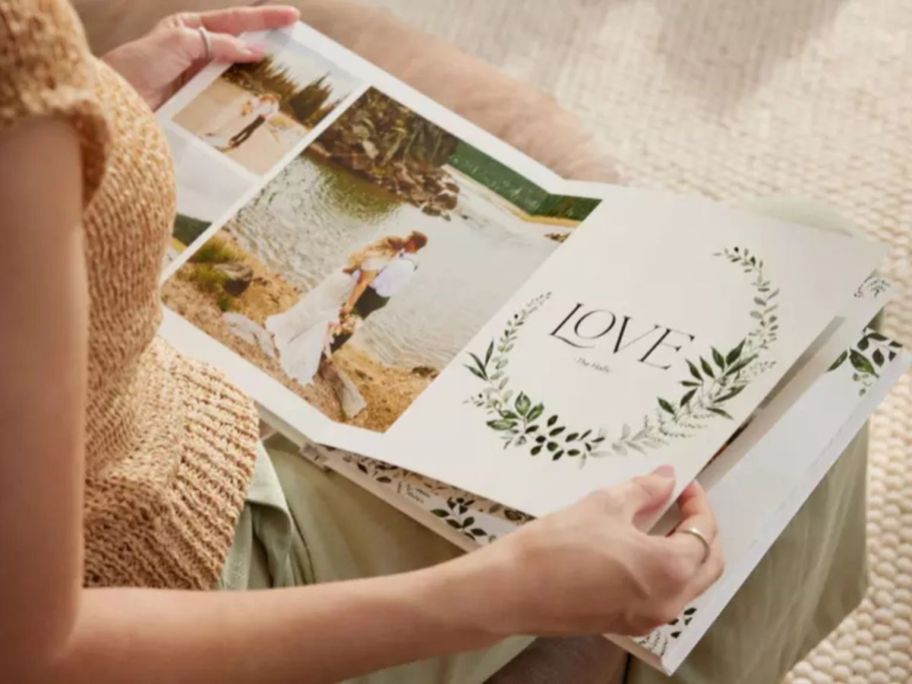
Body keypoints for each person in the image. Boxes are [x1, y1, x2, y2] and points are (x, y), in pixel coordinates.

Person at [0, 4, 723, 684]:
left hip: (162, 408)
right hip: (174, 569)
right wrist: (510, 591)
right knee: (706, 433)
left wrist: (101, 112)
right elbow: (37, 653)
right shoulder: (21, 58)